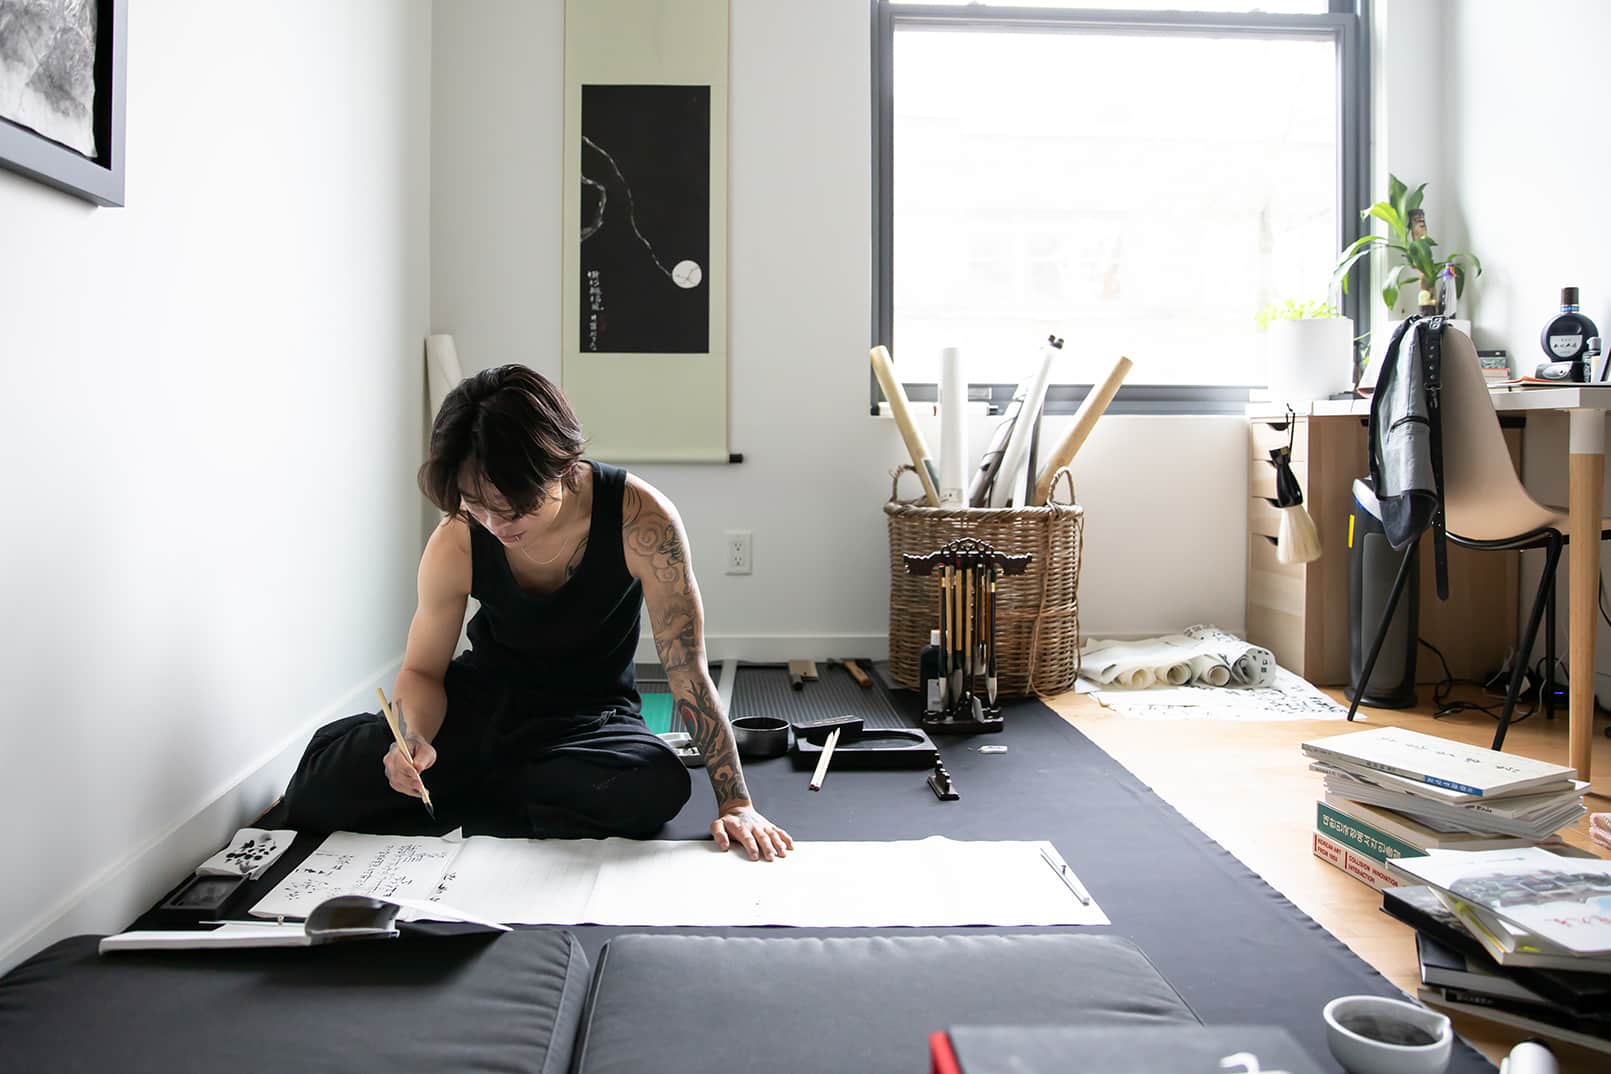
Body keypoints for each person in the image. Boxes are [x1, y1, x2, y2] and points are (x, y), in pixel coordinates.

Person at [280, 365, 792, 861]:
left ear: (562, 467)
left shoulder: (641, 520)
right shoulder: (458, 537)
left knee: (654, 785)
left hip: (590, 720)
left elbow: (687, 670)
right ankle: (498, 785)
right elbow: (422, 671)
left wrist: (736, 802)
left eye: (512, 507)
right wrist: (412, 738)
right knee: (314, 792)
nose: (493, 523)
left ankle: (479, 783)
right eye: (477, 504)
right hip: (483, 708)